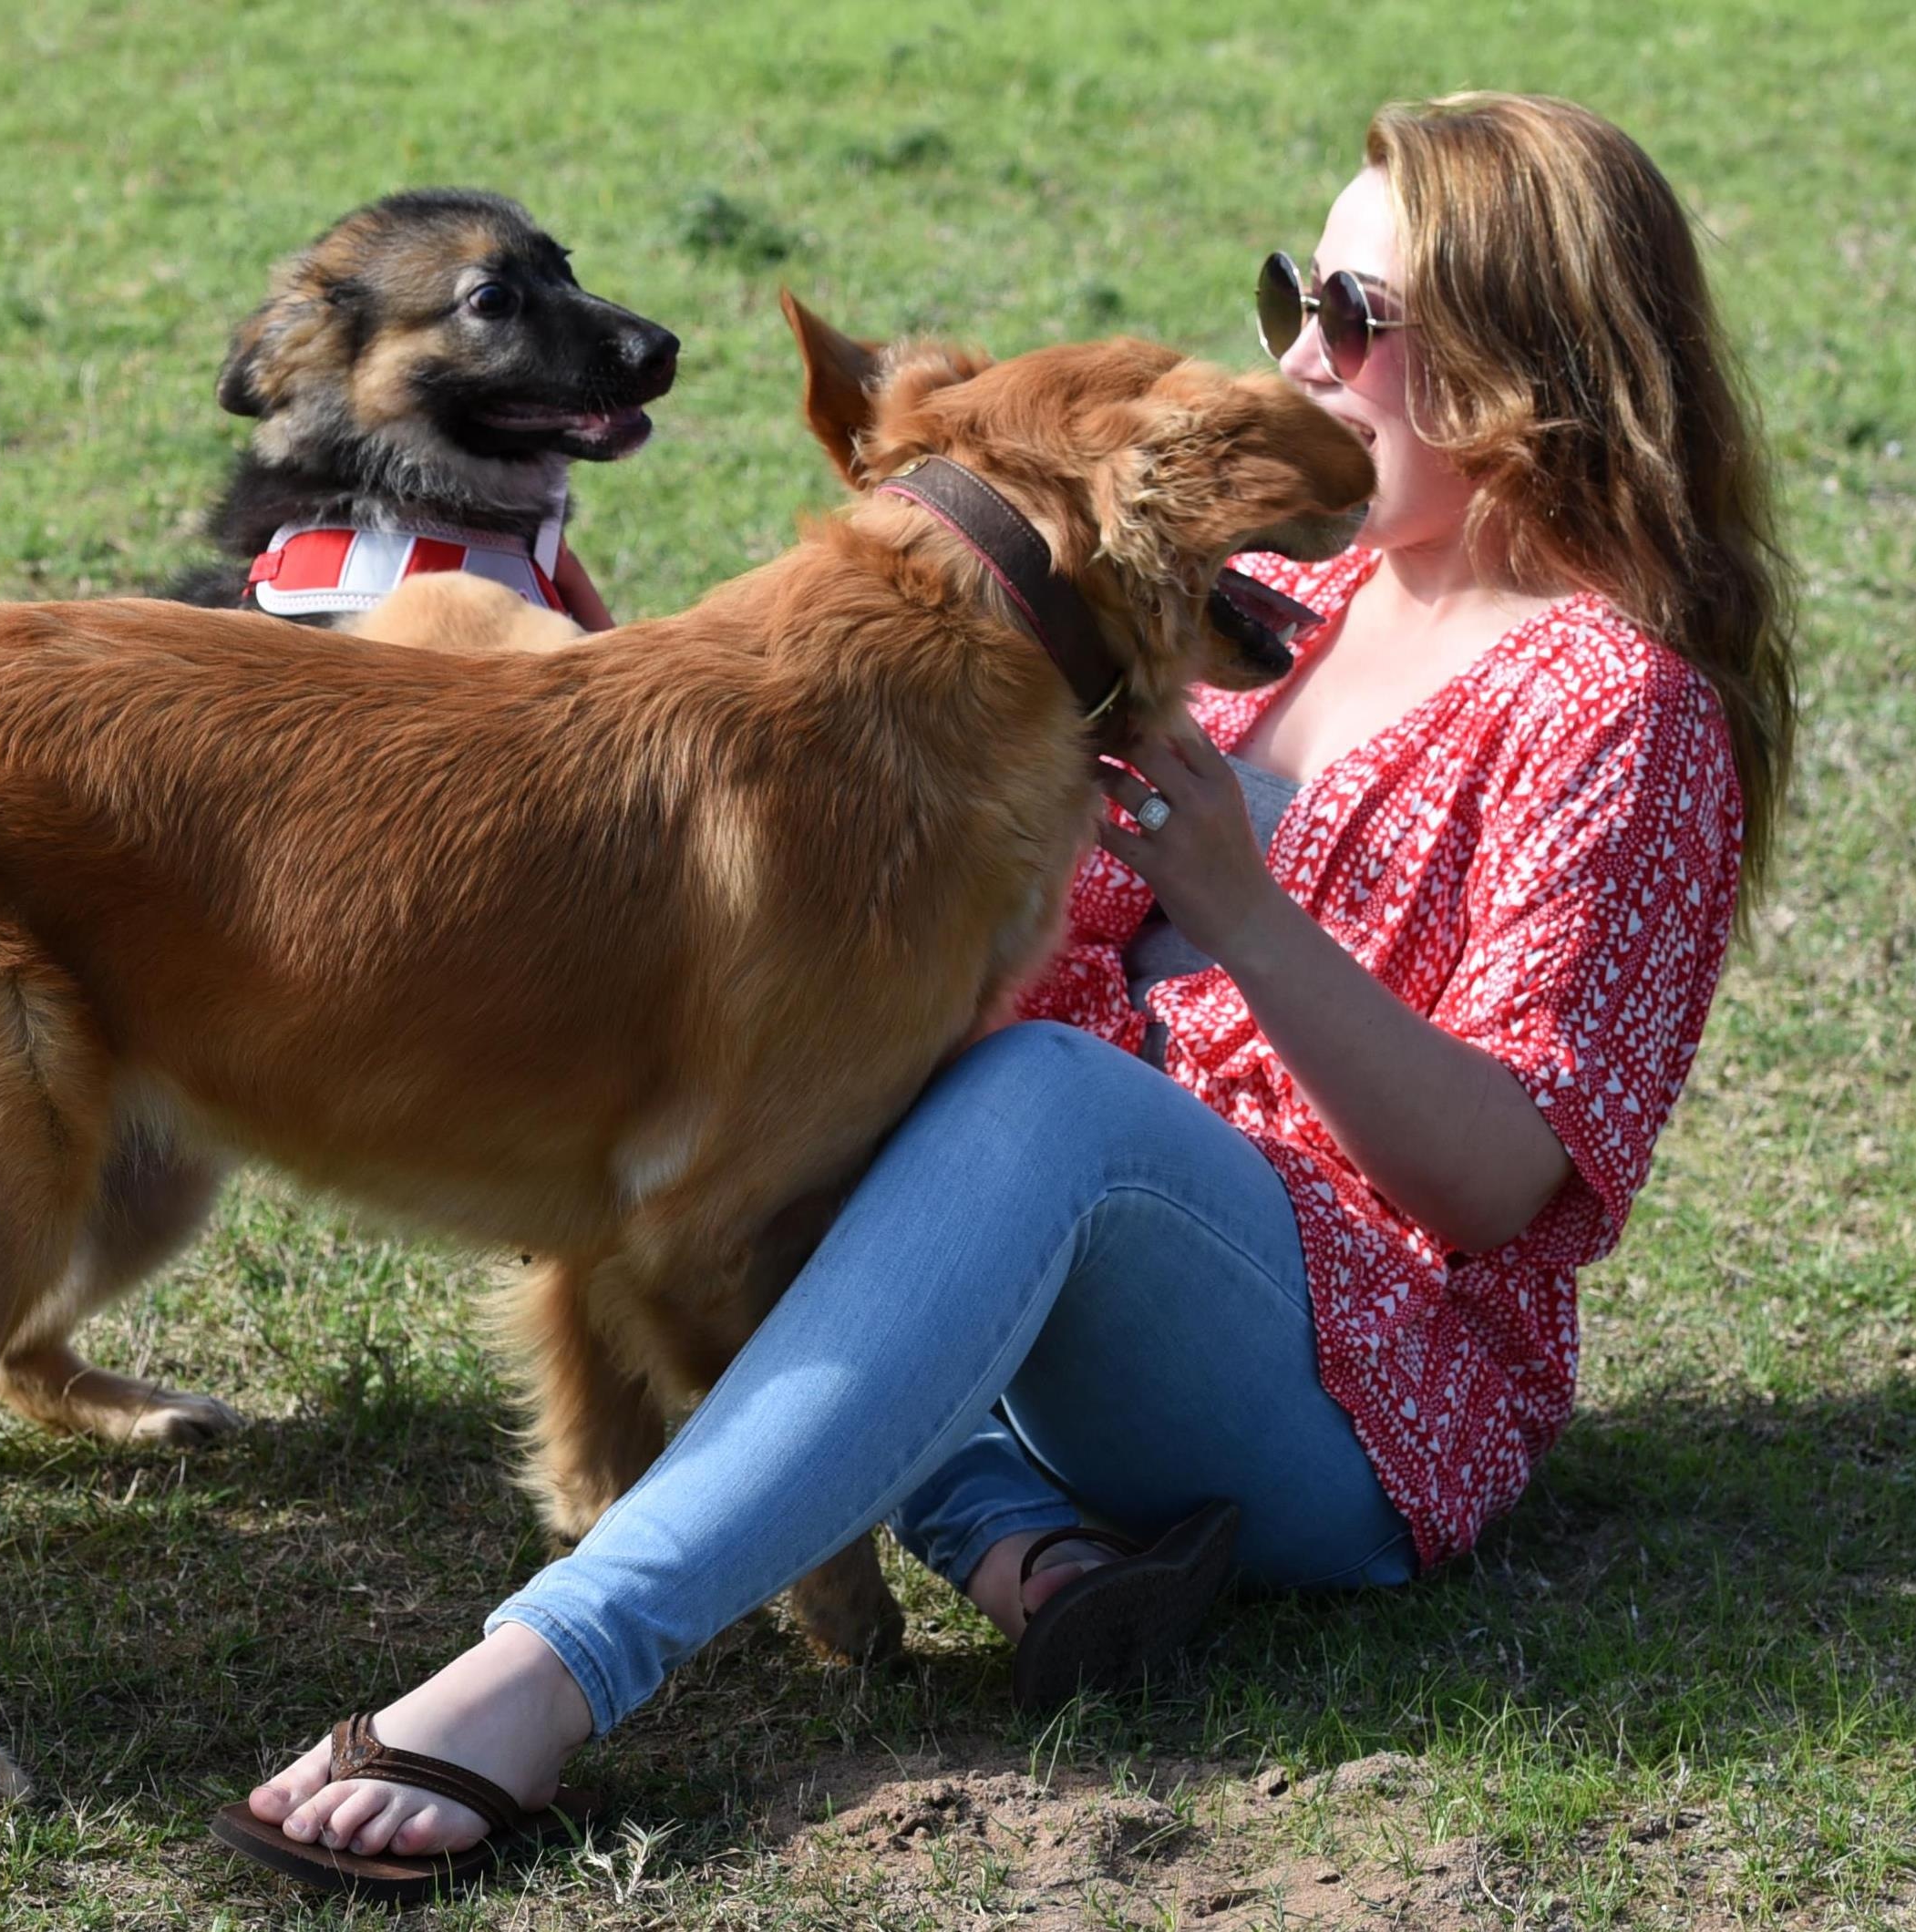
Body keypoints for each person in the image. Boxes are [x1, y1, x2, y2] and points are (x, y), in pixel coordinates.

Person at [220, 91, 1798, 1894]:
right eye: (1296, 292)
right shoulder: (1274, 583)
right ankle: (1018, 1544)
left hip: (1351, 1399)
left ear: (1533, 362)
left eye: (1355, 320)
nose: (1295, 354)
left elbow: (1497, 1180)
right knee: (826, 1073)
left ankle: (542, 1673)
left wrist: (1243, 911)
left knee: (1035, 1102)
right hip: (1042, 1280)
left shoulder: (1613, 701)